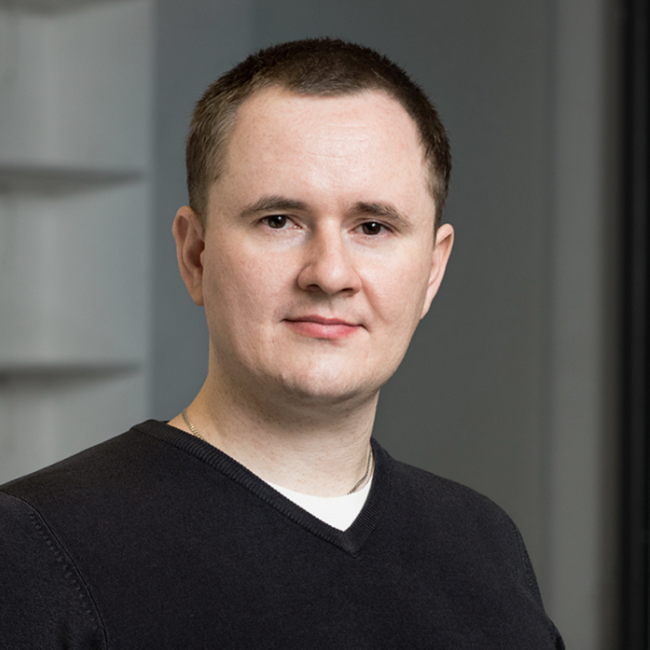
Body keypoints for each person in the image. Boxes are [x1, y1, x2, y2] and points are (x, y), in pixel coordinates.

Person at [0, 38, 564, 648]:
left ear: (432, 270)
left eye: (373, 227)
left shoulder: (484, 546)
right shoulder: (36, 549)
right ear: (196, 255)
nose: (329, 273)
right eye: (279, 221)